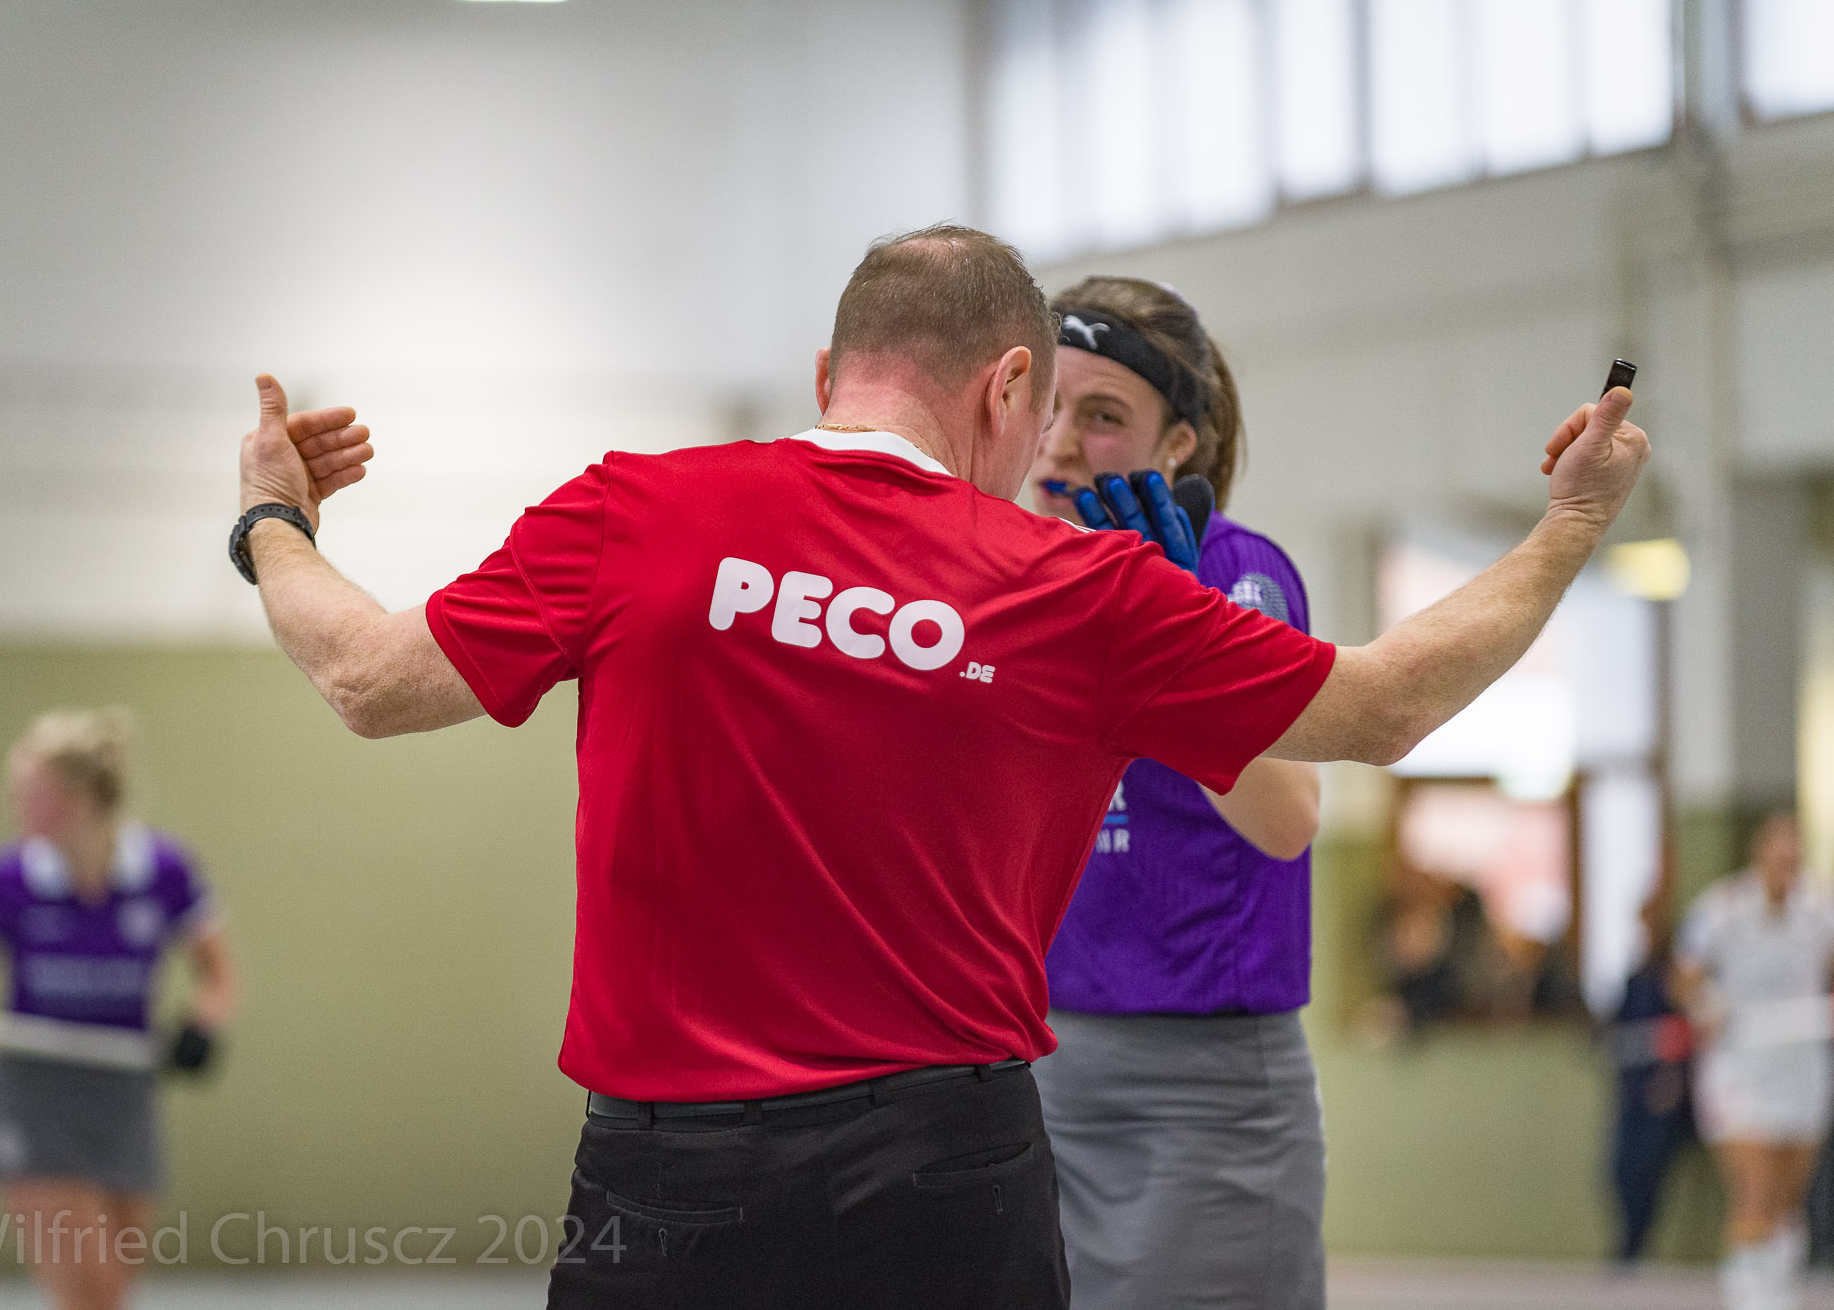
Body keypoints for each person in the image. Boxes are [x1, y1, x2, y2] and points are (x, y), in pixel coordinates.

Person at [230, 223, 1648, 1309]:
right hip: (946, 1178)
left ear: (826, 377)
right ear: (1008, 385)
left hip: (662, 1175)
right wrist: (1571, 523)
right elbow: (1386, 705)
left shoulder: (632, 511)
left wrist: (272, 523)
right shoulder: (1077, 590)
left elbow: (366, 679)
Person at [1023, 276, 1328, 1310]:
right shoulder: (1013, 583)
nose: (1062, 443)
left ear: (1178, 446)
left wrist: (1173, 627)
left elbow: (1286, 821)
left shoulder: (1235, 575)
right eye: (1047, 406)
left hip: (1199, 1086)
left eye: (1104, 416)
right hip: (1035, 1065)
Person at [0, 707, 234, 1310]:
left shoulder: (164, 871)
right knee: (90, 1294)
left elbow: (219, 978)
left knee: (111, 1292)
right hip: (36, 1097)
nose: (15, 805)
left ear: (83, 798)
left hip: (124, 1089)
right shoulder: (5, 879)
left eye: (32, 792)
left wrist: (201, 1025)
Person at [1677, 810, 1834, 1310]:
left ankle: (1778, 1290)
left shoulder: (1820, 911)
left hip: (1802, 1066)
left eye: (1793, 857)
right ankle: (1749, 1297)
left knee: (1788, 1195)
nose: (1785, 866)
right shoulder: (1720, 908)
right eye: (1776, 854)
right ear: (1758, 853)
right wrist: (1707, 1005)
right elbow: (1684, 974)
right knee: (1756, 1187)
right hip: (1740, 1067)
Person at [1606, 891, 1697, 1265]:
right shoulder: (1635, 975)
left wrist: (1672, 1079)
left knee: (1649, 1167)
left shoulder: (1674, 975)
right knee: (1620, 1168)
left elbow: (1683, 1029)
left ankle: (1638, 1243)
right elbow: (1622, 1026)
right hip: (1632, 1087)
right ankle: (1628, 1242)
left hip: (1662, 1091)